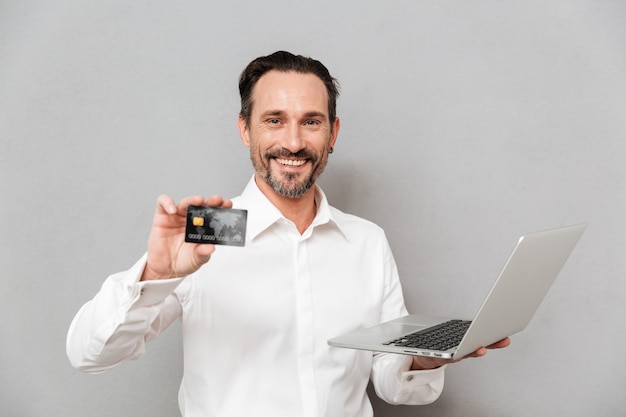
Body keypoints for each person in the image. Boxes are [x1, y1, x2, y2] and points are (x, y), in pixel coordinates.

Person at [66, 51, 509, 417]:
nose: (294, 143)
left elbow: (390, 382)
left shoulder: (366, 242)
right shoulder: (204, 237)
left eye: (311, 122)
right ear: (245, 129)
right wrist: (157, 274)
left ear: (333, 133)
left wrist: (425, 357)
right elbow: (89, 355)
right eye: (274, 120)